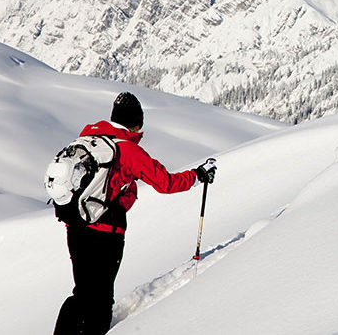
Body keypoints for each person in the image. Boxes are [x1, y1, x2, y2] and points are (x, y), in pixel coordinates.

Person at [53, 92, 216, 335]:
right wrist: (197, 176)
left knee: (83, 292)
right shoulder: (127, 150)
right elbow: (165, 182)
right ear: (135, 123)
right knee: (100, 299)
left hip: (76, 226)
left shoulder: (88, 139)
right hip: (106, 232)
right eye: (140, 125)